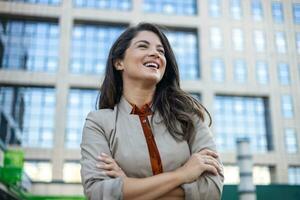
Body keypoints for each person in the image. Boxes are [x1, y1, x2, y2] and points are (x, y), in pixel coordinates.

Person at [80, 22, 224, 200]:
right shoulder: (98, 122)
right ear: (119, 62)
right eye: (143, 46)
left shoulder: (189, 115)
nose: (155, 53)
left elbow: (212, 189)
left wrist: (128, 185)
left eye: (161, 51)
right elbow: (98, 191)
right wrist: (183, 174)